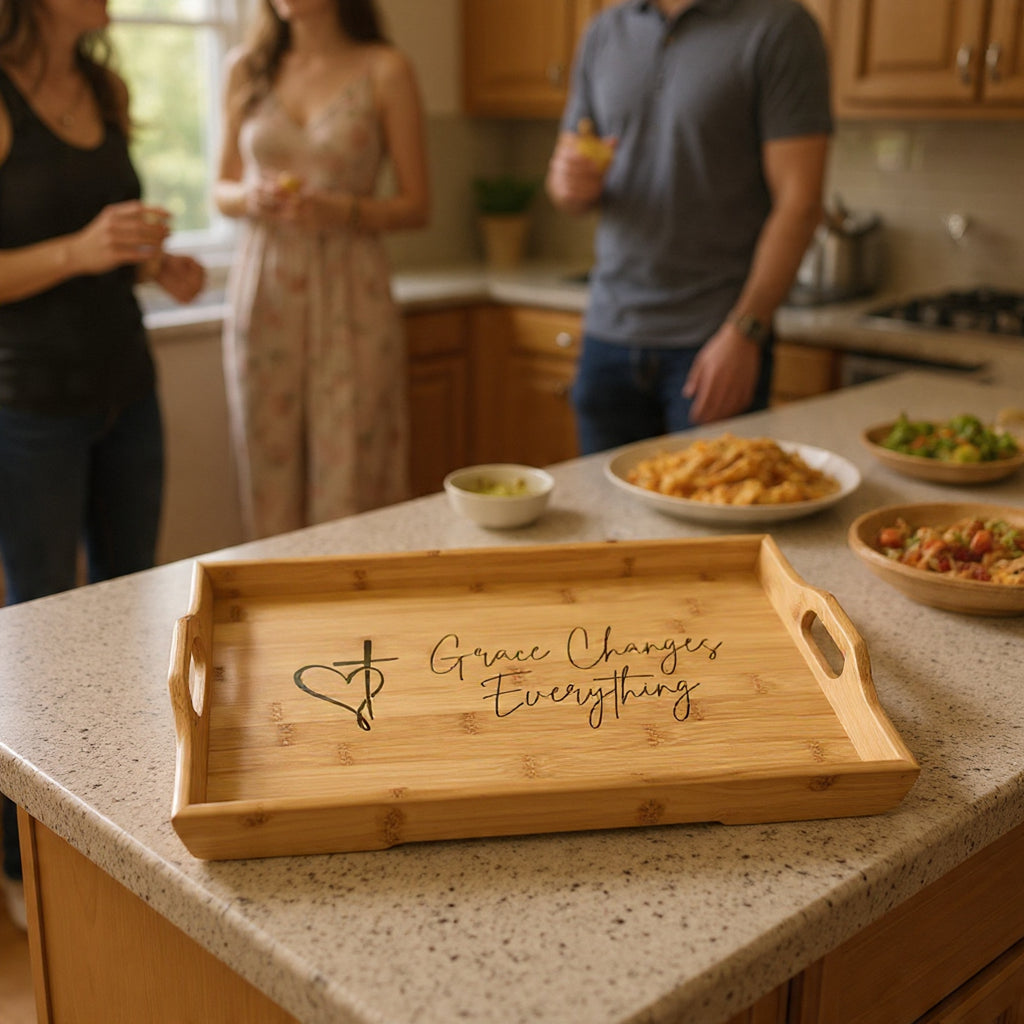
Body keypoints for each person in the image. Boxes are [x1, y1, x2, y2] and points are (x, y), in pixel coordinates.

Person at [0, 0, 206, 928]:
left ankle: (124, 835)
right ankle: (23, 862)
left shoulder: (105, 87)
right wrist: (84, 249)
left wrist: (155, 265)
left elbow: (103, 245)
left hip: (129, 390)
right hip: (28, 405)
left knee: (133, 616)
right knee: (37, 641)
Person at [545, 0, 832, 455]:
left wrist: (745, 331)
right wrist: (567, 183)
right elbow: (567, 180)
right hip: (608, 335)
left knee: (712, 517)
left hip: (714, 343)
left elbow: (800, 203)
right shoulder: (604, 32)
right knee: (604, 521)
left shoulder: (779, 28)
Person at [215, 0, 430, 540]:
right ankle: (279, 616)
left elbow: (416, 204)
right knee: (268, 462)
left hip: (351, 289)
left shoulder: (385, 69)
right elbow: (220, 188)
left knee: (352, 466)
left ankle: (357, 609)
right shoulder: (247, 68)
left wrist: (341, 210)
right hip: (266, 287)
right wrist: (251, 198)